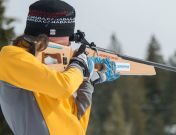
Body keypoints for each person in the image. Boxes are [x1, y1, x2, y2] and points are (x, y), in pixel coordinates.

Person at [0, 0, 120, 135]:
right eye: (66, 41)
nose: (69, 45)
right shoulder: (11, 56)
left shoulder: (56, 75)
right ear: (48, 37)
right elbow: (63, 87)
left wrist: (88, 82)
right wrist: (79, 65)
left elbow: (77, 126)